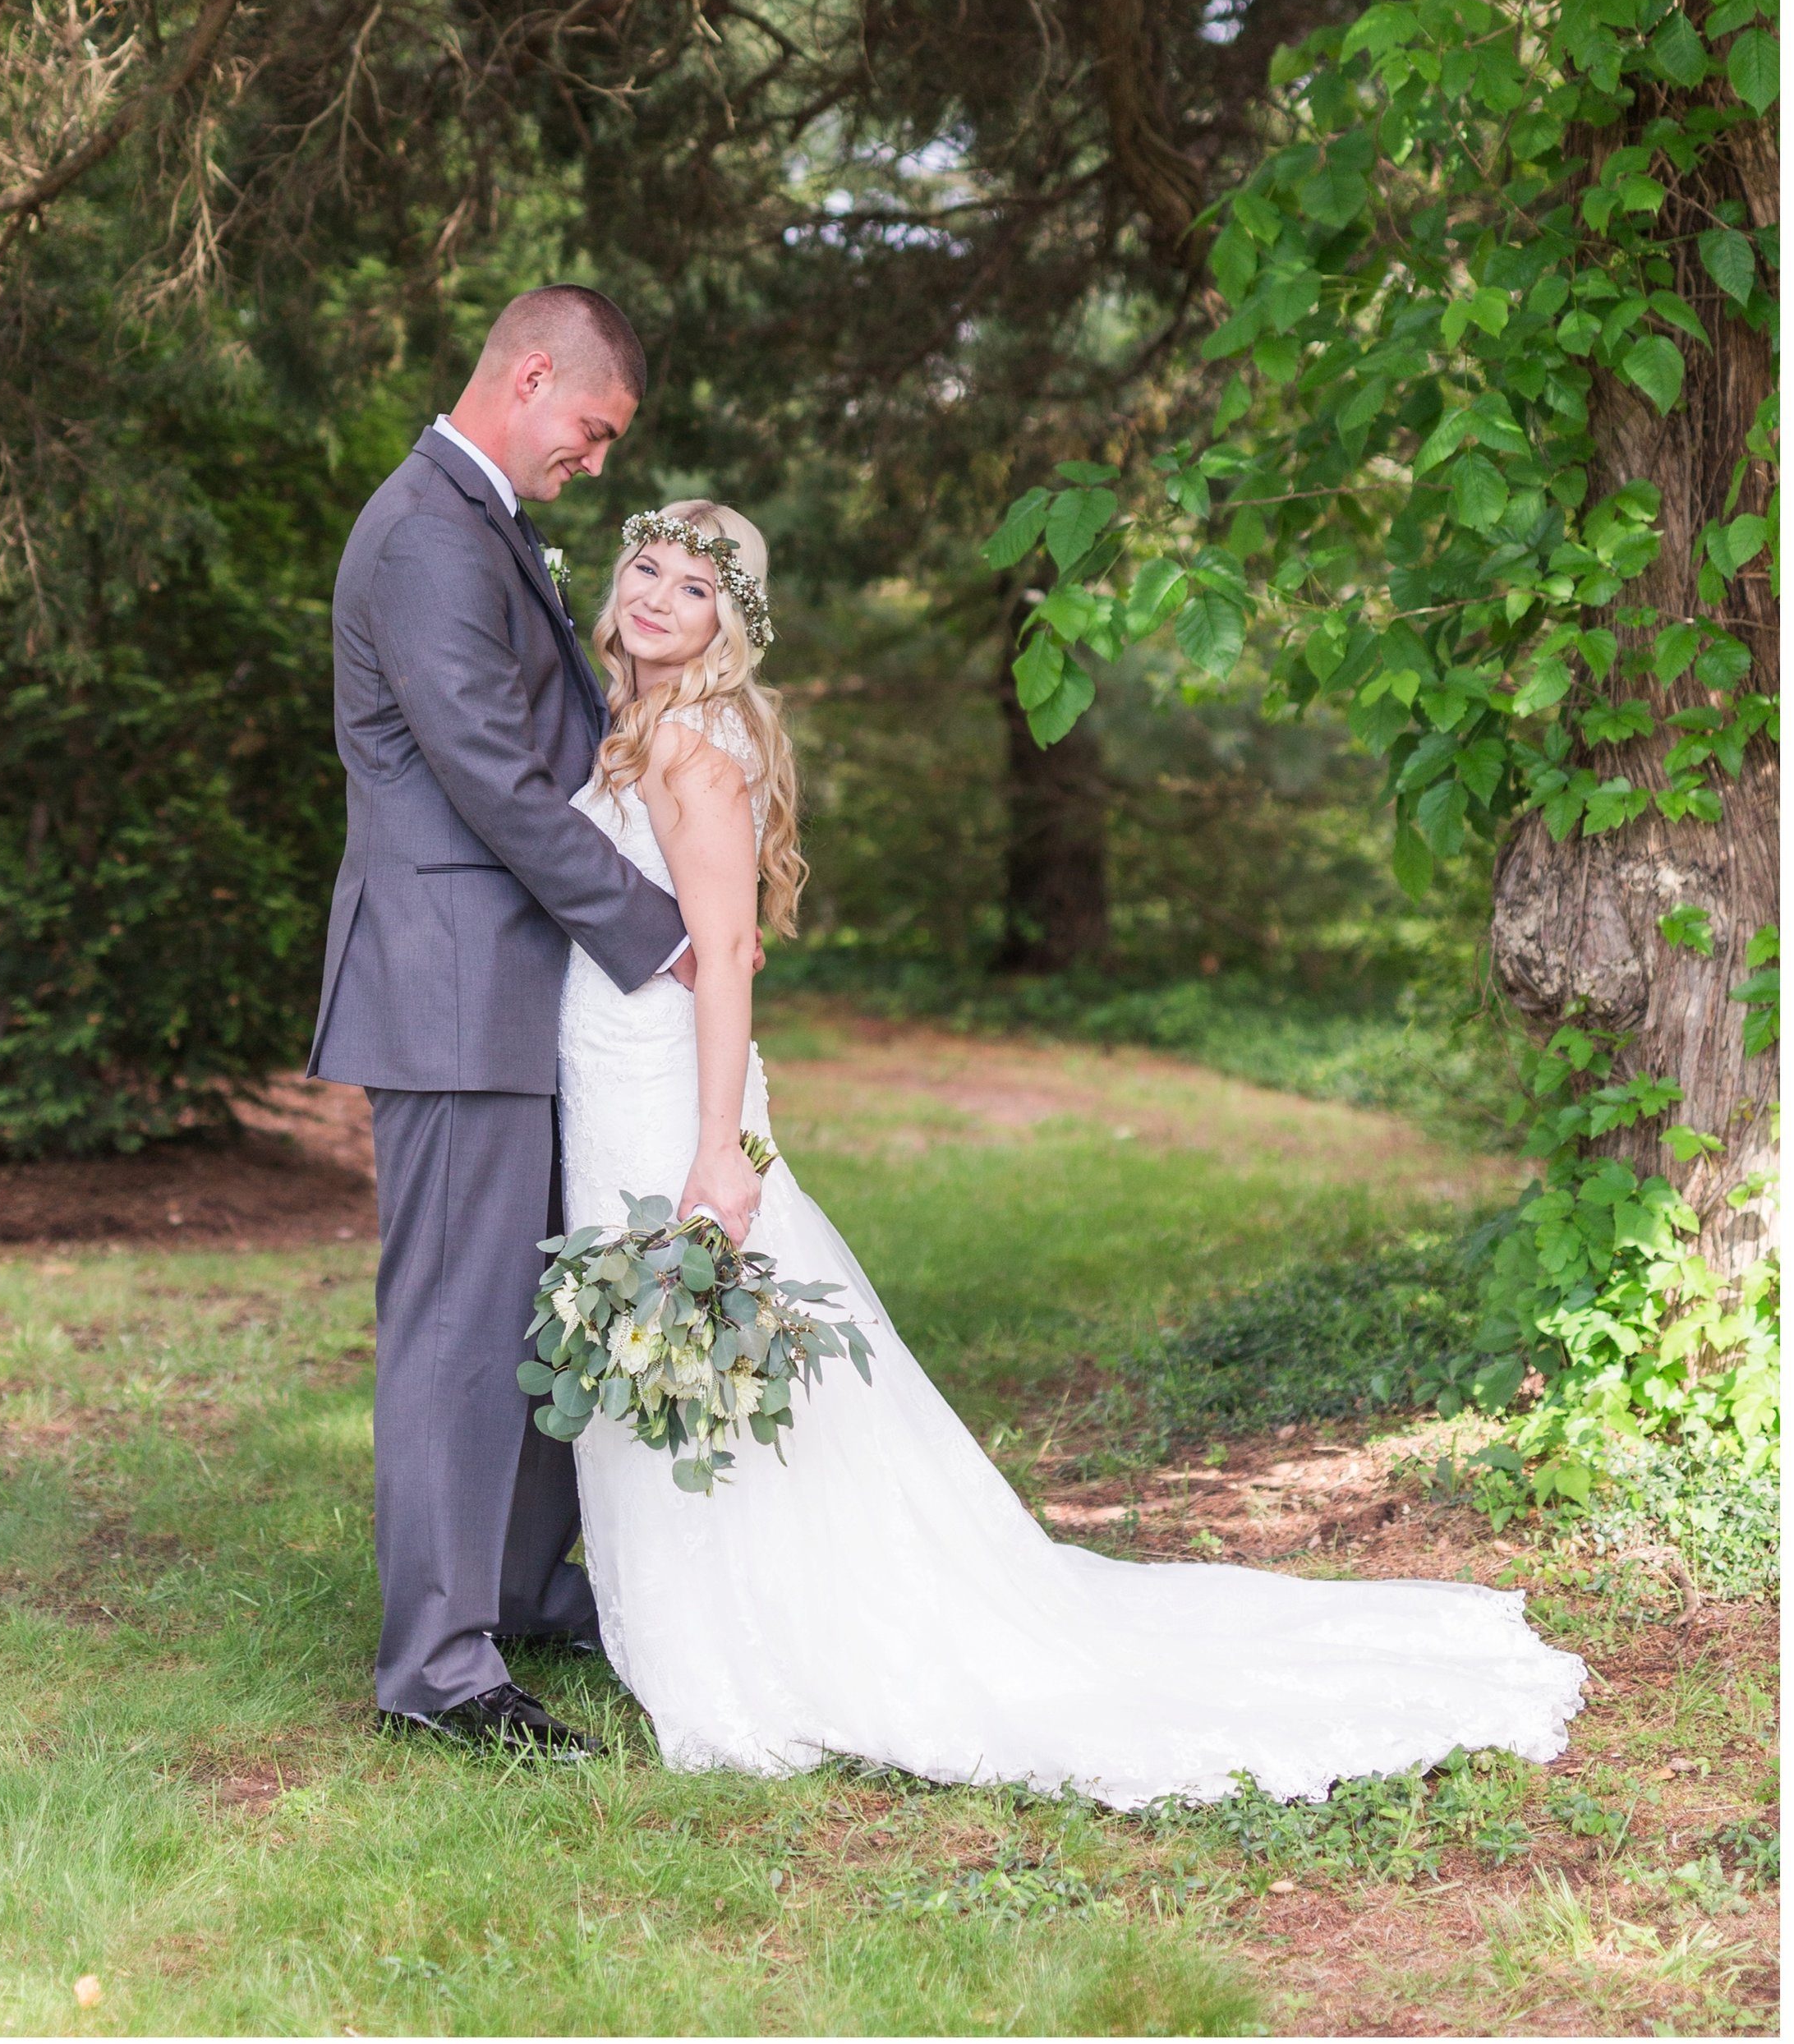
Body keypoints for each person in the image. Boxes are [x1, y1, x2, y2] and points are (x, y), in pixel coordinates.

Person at [554, 499, 1589, 1807]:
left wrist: (718, 1147)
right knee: (683, 1355)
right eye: (646, 565)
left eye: (694, 586)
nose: (655, 594)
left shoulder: (696, 753)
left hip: (665, 1095)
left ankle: (765, 1635)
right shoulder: (638, 724)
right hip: (609, 1076)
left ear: (728, 627)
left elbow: (726, 969)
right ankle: (703, 1609)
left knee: (703, 1345)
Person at [306, 285, 696, 1757]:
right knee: (458, 1331)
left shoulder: (475, 522)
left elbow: (553, 746)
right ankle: (441, 1666)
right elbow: (488, 769)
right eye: (593, 430)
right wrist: (659, 934)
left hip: (515, 987)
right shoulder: (421, 532)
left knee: (530, 1311)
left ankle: (525, 1585)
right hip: (451, 985)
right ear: (532, 376)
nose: (595, 462)